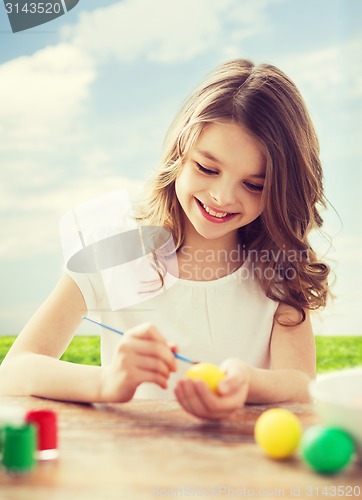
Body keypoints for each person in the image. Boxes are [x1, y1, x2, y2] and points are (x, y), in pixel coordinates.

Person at [0, 59, 330, 420]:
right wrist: (107, 382)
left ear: (280, 192)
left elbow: (302, 386)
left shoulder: (278, 272)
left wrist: (248, 385)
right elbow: (15, 370)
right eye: (207, 168)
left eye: (253, 185)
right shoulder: (114, 251)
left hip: (239, 471)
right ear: (179, 153)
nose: (222, 196)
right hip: (133, 468)